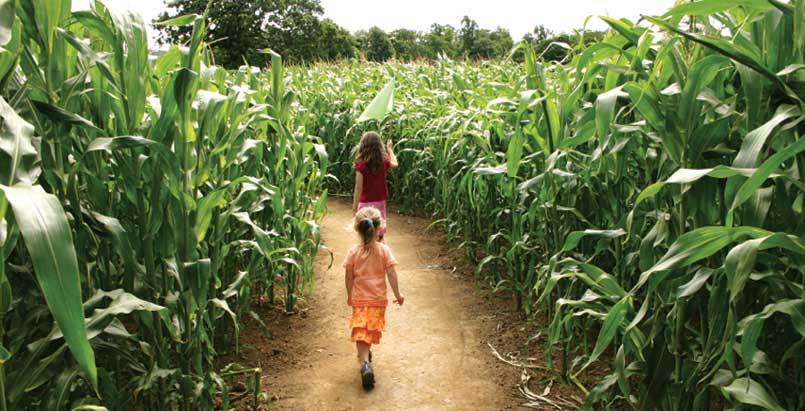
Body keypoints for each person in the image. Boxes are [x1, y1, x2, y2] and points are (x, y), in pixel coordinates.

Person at [343, 207, 404, 389]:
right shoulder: (384, 250)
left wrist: (349, 294)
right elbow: (392, 273)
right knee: (370, 329)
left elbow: (348, 276)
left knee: (360, 330)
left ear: (357, 228)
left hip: (360, 298)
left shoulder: (353, 252)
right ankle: (366, 358)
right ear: (379, 228)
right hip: (377, 300)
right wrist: (398, 294)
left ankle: (365, 363)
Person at [352, 131, 398, 241]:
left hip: (364, 204)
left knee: (365, 233)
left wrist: (354, 208)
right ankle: (381, 253)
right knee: (378, 232)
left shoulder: (360, 165)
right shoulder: (383, 162)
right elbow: (395, 164)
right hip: (379, 203)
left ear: (363, 145)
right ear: (378, 145)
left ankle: (366, 254)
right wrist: (390, 149)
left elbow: (358, 188)